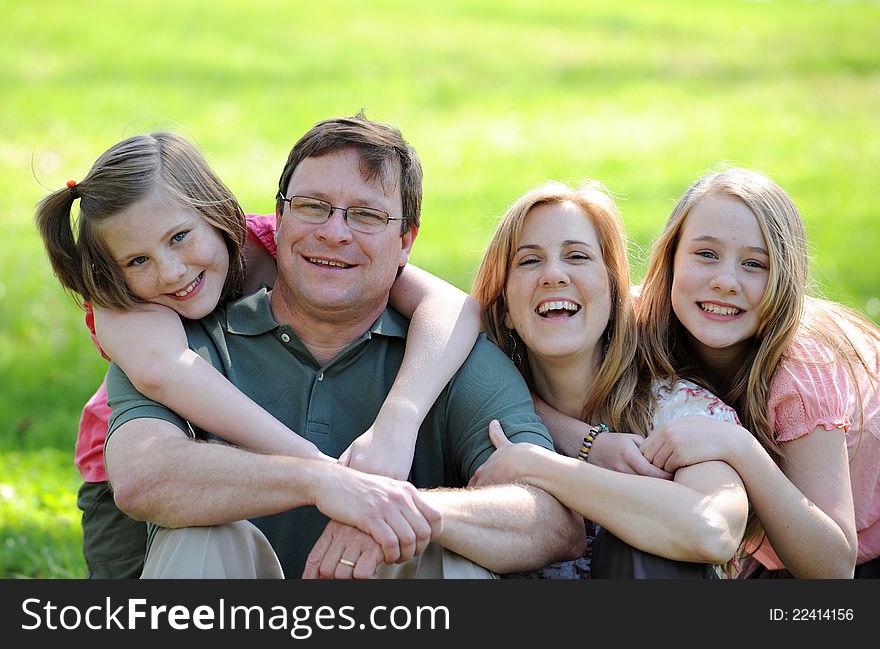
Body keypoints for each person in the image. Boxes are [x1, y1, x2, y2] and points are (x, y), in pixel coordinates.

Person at [99, 113, 585, 579]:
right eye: (312, 207)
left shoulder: (445, 356)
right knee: (201, 540)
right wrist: (321, 482)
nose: (334, 233)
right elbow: (142, 475)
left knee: (453, 558)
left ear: (405, 242)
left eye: (367, 216)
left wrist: (404, 513)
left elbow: (552, 521)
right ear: (279, 217)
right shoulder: (181, 336)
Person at [35, 130, 483, 577]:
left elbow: (451, 307)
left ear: (217, 213)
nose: (171, 271)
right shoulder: (120, 302)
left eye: (179, 238)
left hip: (270, 437)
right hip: (149, 462)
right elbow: (167, 375)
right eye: (138, 260)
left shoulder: (281, 242)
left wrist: (397, 424)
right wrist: (325, 470)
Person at [468, 180, 748, 578]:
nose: (553, 275)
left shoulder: (680, 411)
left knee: (645, 547)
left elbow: (713, 530)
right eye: (529, 261)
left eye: (577, 256)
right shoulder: (482, 412)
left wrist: (540, 467)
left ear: (615, 290)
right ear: (505, 308)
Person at [636, 167, 880, 578]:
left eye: (754, 264)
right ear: (671, 257)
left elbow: (835, 568)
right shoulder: (640, 320)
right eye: (706, 254)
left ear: (784, 280)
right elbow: (498, 310)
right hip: (774, 547)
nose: (726, 281)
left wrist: (738, 447)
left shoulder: (801, 376)